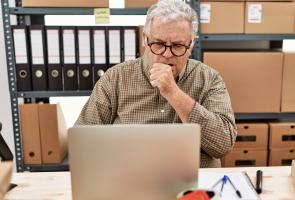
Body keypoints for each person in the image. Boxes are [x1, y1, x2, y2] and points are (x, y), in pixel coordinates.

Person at [75, 0, 237, 168]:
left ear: (191, 44)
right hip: (131, 181)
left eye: (178, 45)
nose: (167, 54)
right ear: (145, 39)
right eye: (158, 44)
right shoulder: (115, 78)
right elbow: (83, 141)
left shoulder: (209, 78)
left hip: (193, 185)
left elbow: (223, 145)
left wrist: (173, 93)